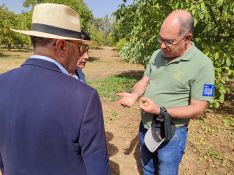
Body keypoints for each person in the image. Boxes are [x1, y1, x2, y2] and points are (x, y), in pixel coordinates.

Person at [0, 3, 110, 175]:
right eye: (80, 47)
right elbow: (97, 169)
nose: (82, 54)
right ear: (61, 46)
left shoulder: (2, 83)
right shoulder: (84, 97)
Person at [117, 10, 215, 175]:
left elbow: (198, 109)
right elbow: (144, 80)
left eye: (169, 41)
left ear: (187, 38)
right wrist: (134, 94)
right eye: (160, 39)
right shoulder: (157, 54)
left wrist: (160, 111)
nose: (162, 45)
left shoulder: (203, 65)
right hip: (146, 126)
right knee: (147, 168)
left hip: (172, 133)